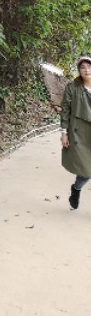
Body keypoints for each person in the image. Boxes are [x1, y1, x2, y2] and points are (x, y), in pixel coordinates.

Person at [60, 54, 91, 209]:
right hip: (79, 133)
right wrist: (64, 132)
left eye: (89, 66)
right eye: (83, 68)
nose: (87, 70)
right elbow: (65, 110)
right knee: (86, 170)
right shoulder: (72, 88)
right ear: (79, 71)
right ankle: (76, 189)